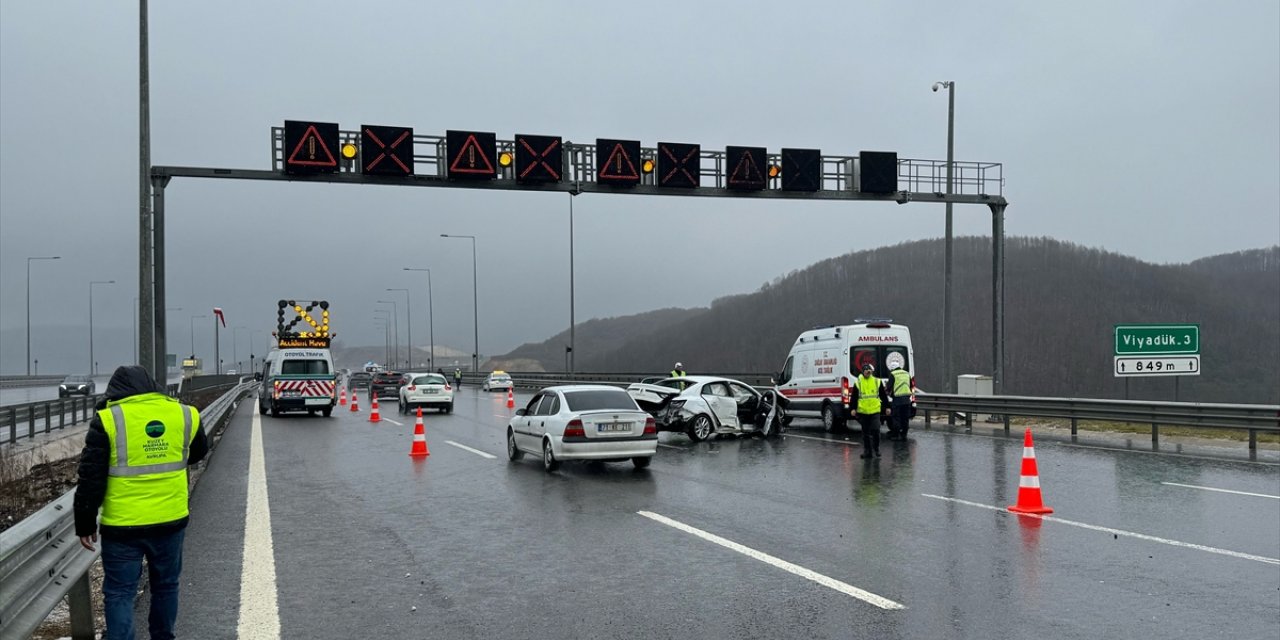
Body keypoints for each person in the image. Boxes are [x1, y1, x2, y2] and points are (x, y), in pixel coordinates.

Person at [74, 365, 208, 640]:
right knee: (166, 586)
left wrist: (85, 522)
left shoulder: (109, 418)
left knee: (120, 592)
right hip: (170, 520)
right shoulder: (184, 413)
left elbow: (91, 477)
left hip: (122, 526)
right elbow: (198, 453)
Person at [854, 362, 887, 458]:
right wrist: (852, 408)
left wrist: (887, 407)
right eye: (866, 371)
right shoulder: (858, 382)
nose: (868, 372)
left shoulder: (877, 381)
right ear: (863, 372)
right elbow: (854, 397)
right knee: (866, 434)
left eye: (870, 371)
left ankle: (876, 449)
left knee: (876, 430)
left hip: (875, 411)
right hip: (863, 411)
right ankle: (867, 451)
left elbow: (883, 395)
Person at [887, 361, 913, 441]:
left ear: (892, 369)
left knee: (896, 417)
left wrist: (889, 393)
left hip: (897, 399)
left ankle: (896, 435)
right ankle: (904, 434)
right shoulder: (906, 373)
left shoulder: (893, 374)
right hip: (907, 399)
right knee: (905, 418)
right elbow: (911, 385)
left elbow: (889, 386)